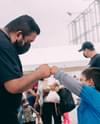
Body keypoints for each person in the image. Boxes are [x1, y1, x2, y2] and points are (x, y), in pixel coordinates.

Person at [0, 15, 51, 124]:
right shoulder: (4, 46)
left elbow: (19, 84)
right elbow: (13, 86)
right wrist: (39, 73)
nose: (28, 46)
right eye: (28, 42)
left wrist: (35, 77)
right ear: (18, 34)